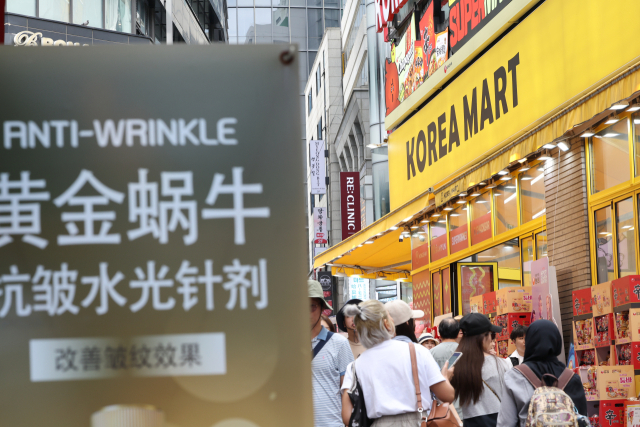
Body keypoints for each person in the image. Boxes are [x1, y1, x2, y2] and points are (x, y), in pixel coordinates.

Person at [340, 300, 456, 426]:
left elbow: (347, 416)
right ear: (387, 324)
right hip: (417, 422)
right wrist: (445, 377)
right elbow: (448, 396)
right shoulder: (416, 351)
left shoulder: (355, 366)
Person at [497, 320, 588, 427]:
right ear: (557, 342)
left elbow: (506, 422)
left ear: (529, 342)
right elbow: (582, 418)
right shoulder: (571, 377)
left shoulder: (514, 376)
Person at [450, 313, 511, 427]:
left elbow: (441, 392)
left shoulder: (455, 360)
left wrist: (458, 420)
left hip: (469, 421)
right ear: (483, 337)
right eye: (492, 335)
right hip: (498, 420)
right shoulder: (501, 363)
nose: (492, 339)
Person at [308, 280, 354, 427]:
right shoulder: (288, 346)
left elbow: (349, 389)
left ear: (322, 308)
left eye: (311, 306)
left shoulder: (339, 343)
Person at [430, 317, 463, 421]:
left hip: (441, 409)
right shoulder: (464, 350)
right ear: (458, 333)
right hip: (464, 407)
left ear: (439, 333)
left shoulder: (430, 353)